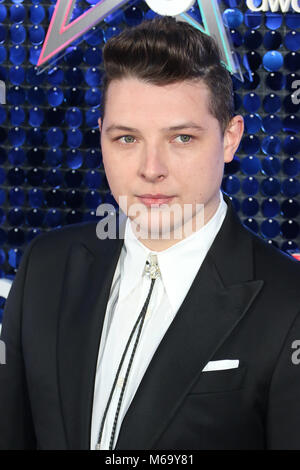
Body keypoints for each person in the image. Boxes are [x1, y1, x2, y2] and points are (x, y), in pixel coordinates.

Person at [0, 15, 300, 451]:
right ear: (101, 136)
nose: (151, 168)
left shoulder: (289, 302)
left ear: (230, 138)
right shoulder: (45, 266)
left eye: (181, 139)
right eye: (127, 139)